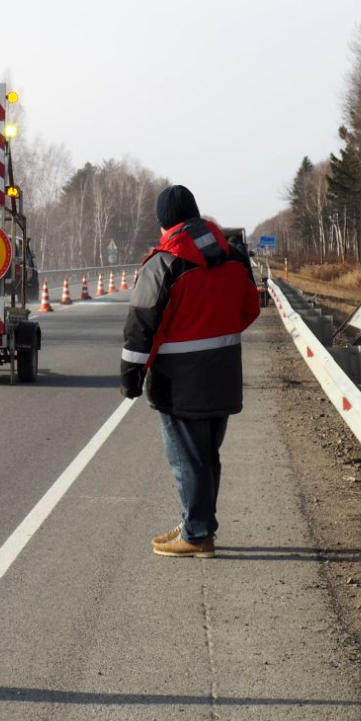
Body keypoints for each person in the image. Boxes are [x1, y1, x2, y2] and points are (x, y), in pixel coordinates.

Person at [120, 185, 261, 558]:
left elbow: (140, 327)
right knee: (207, 456)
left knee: (187, 459)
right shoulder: (234, 258)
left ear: (164, 222)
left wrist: (130, 376)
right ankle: (195, 524)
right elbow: (250, 309)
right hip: (224, 373)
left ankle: (197, 534)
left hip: (178, 381)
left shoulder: (163, 262)